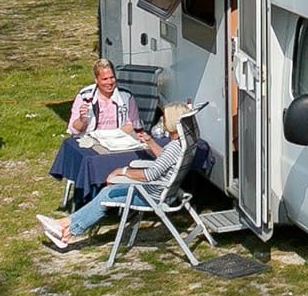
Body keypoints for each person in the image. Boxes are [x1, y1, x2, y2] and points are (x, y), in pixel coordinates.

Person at [39, 106, 195, 250]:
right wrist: (150, 141)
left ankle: (66, 228)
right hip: (167, 191)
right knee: (108, 192)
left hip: (154, 195)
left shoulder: (173, 147)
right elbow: (165, 159)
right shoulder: (183, 143)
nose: (163, 120)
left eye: (165, 118)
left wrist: (123, 171)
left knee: (107, 195)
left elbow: (149, 175)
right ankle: (65, 231)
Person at [48, 62, 149, 203]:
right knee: (91, 160)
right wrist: (82, 120)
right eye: (105, 79)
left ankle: (122, 197)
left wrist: (114, 135)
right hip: (91, 141)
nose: (110, 82)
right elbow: (74, 129)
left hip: (117, 142)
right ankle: (92, 199)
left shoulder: (126, 96)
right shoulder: (85, 97)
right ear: (96, 80)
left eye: (112, 78)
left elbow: (133, 124)